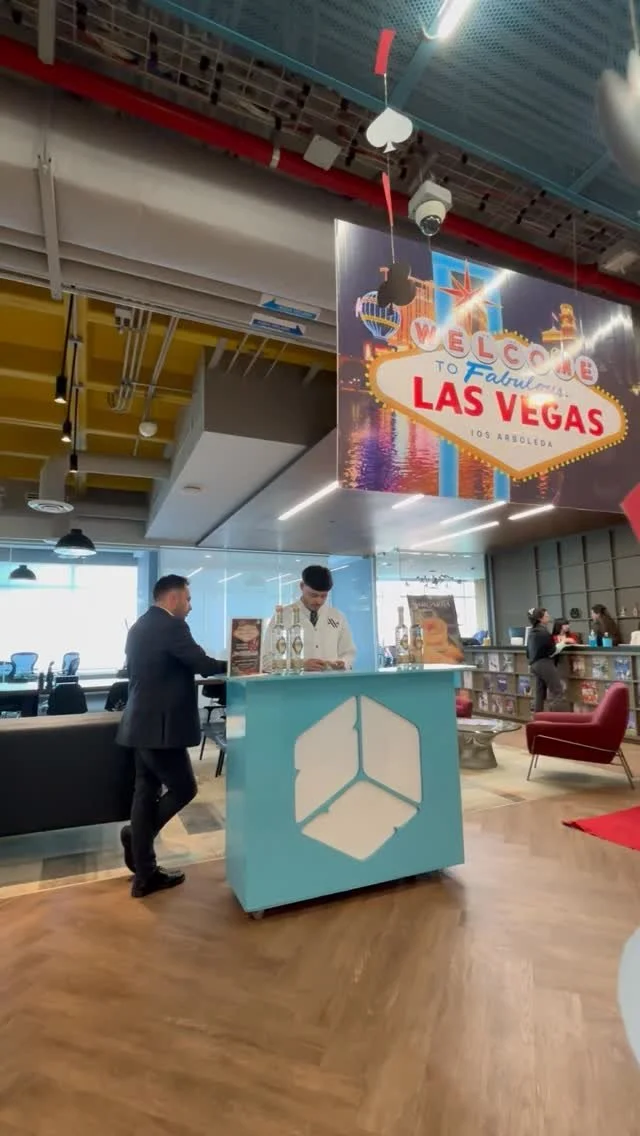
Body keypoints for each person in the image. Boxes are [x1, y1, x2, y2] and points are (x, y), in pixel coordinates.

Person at [117, 574, 226, 898]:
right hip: (162, 730)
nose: (190, 606)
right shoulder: (172, 626)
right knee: (184, 788)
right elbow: (203, 664)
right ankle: (138, 838)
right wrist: (241, 662)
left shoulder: (139, 626)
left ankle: (145, 874)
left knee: (145, 792)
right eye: (188, 599)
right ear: (174, 598)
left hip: (138, 725)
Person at [262, 564, 356, 672]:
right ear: (302, 586)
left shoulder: (337, 616)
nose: (319, 601)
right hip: (296, 681)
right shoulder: (282, 616)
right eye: (313, 595)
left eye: (323, 596)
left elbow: (348, 653)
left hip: (331, 680)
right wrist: (299, 664)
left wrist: (343, 663)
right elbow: (266, 661)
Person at [526, 607, 564, 713]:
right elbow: (552, 651)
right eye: (546, 615)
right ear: (540, 619)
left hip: (534, 664)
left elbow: (528, 652)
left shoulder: (532, 632)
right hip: (544, 663)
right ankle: (553, 717)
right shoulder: (544, 632)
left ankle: (538, 716)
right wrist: (561, 644)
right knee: (557, 692)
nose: (549, 617)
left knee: (539, 693)